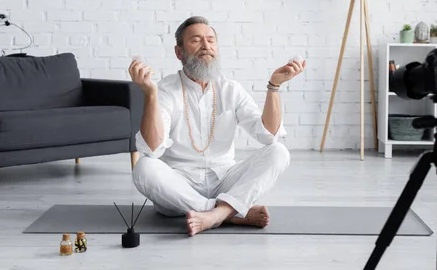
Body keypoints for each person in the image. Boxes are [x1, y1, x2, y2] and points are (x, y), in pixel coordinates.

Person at [129, 16, 305, 236]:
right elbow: (152, 149)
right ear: (179, 52)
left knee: (279, 151)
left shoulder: (231, 89)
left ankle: (215, 215)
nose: (206, 46)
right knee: (144, 167)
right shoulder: (165, 90)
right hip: (180, 187)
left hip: (225, 180)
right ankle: (230, 212)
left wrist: (274, 86)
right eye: (196, 40)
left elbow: (268, 136)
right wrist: (151, 94)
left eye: (211, 40)